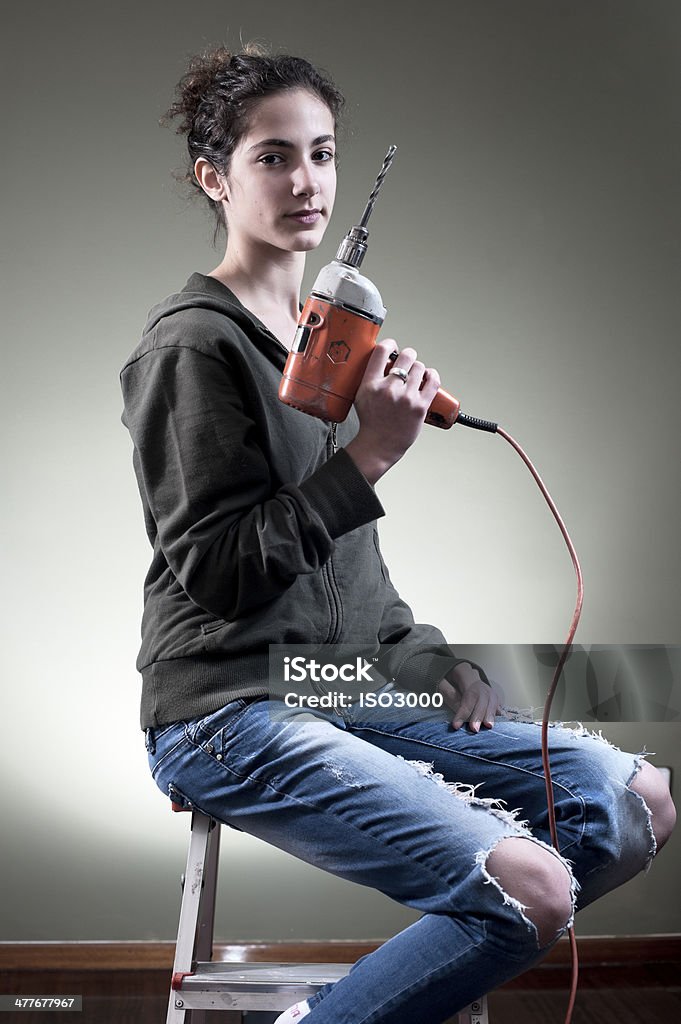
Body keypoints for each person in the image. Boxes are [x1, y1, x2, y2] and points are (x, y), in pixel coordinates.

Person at [120, 44, 675, 1024]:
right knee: (532, 887)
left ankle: (363, 1006)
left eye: (324, 154)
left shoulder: (317, 336)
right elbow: (217, 573)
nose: (308, 183)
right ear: (215, 176)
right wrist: (369, 455)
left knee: (633, 801)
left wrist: (429, 661)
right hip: (224, 703)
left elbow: (346, 578)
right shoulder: (189, 345)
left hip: (339, 680)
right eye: (274, 157)